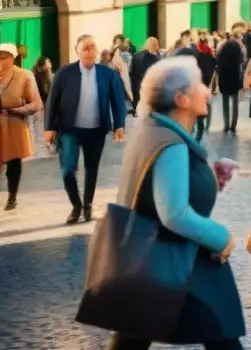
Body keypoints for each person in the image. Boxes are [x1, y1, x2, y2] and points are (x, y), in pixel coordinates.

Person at [99, 56, 245, 350]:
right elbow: (174, 213)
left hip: (149, 259)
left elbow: (158, 189)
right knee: (223, 338)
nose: (207, 91)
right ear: (181, 99)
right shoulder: (172, 143)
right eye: (200, 85)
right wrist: (222, 237)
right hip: (178, 260)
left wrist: (210, 177)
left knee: (131, 339)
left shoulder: (150, 131)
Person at [44, 35, 126, 224]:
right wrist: (49, 127)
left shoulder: (107, 74)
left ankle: (87, 204)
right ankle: (76, 204)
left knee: (92, 168)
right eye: (85, 48)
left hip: (96, 130)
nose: (90, 52)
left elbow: (117, 100)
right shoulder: (64, 73)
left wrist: (119, 124)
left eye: (93, 47)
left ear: (97, 51)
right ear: (77, 52)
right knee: (67, 170)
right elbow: (52, 100)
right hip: (69, 129)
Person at [0, 43, 44, 210]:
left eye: (4, 57)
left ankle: (12, 196)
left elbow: (36, 103)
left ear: (12, 58)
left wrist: (17, 110)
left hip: (14, 122)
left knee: (13, 162)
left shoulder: (25, 76)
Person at [216, 23, 247, 134]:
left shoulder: (222, 48)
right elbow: (242, 63)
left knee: (225, 102)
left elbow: (218, 64)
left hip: (224, 79)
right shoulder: (238, 49)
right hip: (235, 79)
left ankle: (226, 123)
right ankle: (234, 124)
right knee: (235, 102)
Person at [129, 38, 162, 115]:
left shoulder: (136, 55)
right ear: (155, 45)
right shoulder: (154, 57)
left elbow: (131, 72)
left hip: (136, 86)